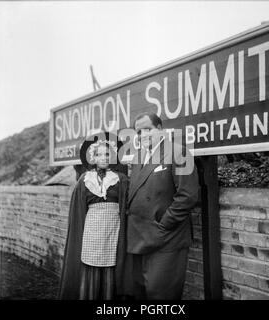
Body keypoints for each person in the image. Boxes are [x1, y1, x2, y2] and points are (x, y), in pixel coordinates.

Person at [127, 112, 199, 300]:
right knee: (141, 293)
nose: (143, 135)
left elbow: (188, 196)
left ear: (160, 129)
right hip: (139, 237)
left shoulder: (179, 151)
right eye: (139, 132)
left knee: (162, 295)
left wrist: (164, 224)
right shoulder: (138, 157)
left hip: (167, 238)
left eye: (148, 130)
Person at [58, 132, 131, 300]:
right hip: (92, 230)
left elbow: (128, 206)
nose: (104, 158)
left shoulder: (121, 180)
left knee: (111, 264)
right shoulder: (84, 180)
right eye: (99, 154)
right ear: (93, 157)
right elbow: (77, 210)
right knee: (91, 263)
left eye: (107, 154)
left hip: (113, 229)